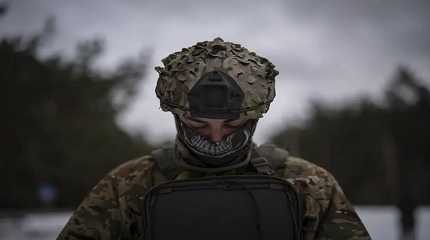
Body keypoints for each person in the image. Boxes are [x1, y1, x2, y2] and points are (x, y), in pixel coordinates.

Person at [58, 38, 371, 240]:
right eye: (198, 124)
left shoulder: (309, 185)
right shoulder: (126, 186)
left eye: (233, 123)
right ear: (177, 115)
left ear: (255, 116)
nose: (217, 135)